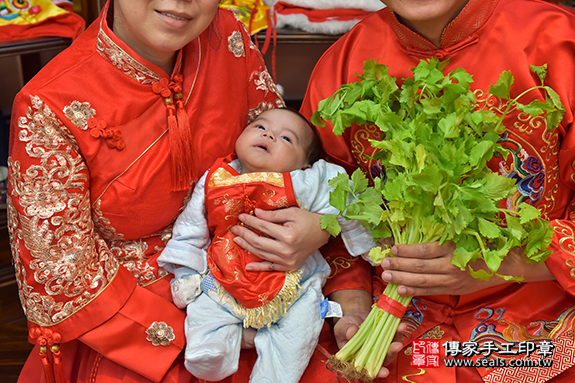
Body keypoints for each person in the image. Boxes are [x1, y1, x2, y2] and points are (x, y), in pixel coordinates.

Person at [6, 1, 340, 382]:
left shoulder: (228, 35)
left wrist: (321, 225)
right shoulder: (49, 104)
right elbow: (63, 277)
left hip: (258, 274)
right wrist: (209, 331)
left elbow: (285, 165)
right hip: (134, 312)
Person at [299, 0, 575, 381]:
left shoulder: (561, 42)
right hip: (393, 325)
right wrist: (354, 306)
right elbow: (329, 218)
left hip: (542, 320)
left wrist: (502, 265)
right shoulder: (341, 69)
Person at [157, 107, 376, 383]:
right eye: (260, 127)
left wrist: (370, 248)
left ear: (305, 164)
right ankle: (211, 353)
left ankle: (274, 377)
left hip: (294, 285)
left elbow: (346, 198)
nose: (269, 134)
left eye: (287, 139)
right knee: (204, 309)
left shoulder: (306, 181)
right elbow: (190, 229)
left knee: (300, 331)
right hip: (224, 276)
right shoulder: (218, 177)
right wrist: (186, 275)